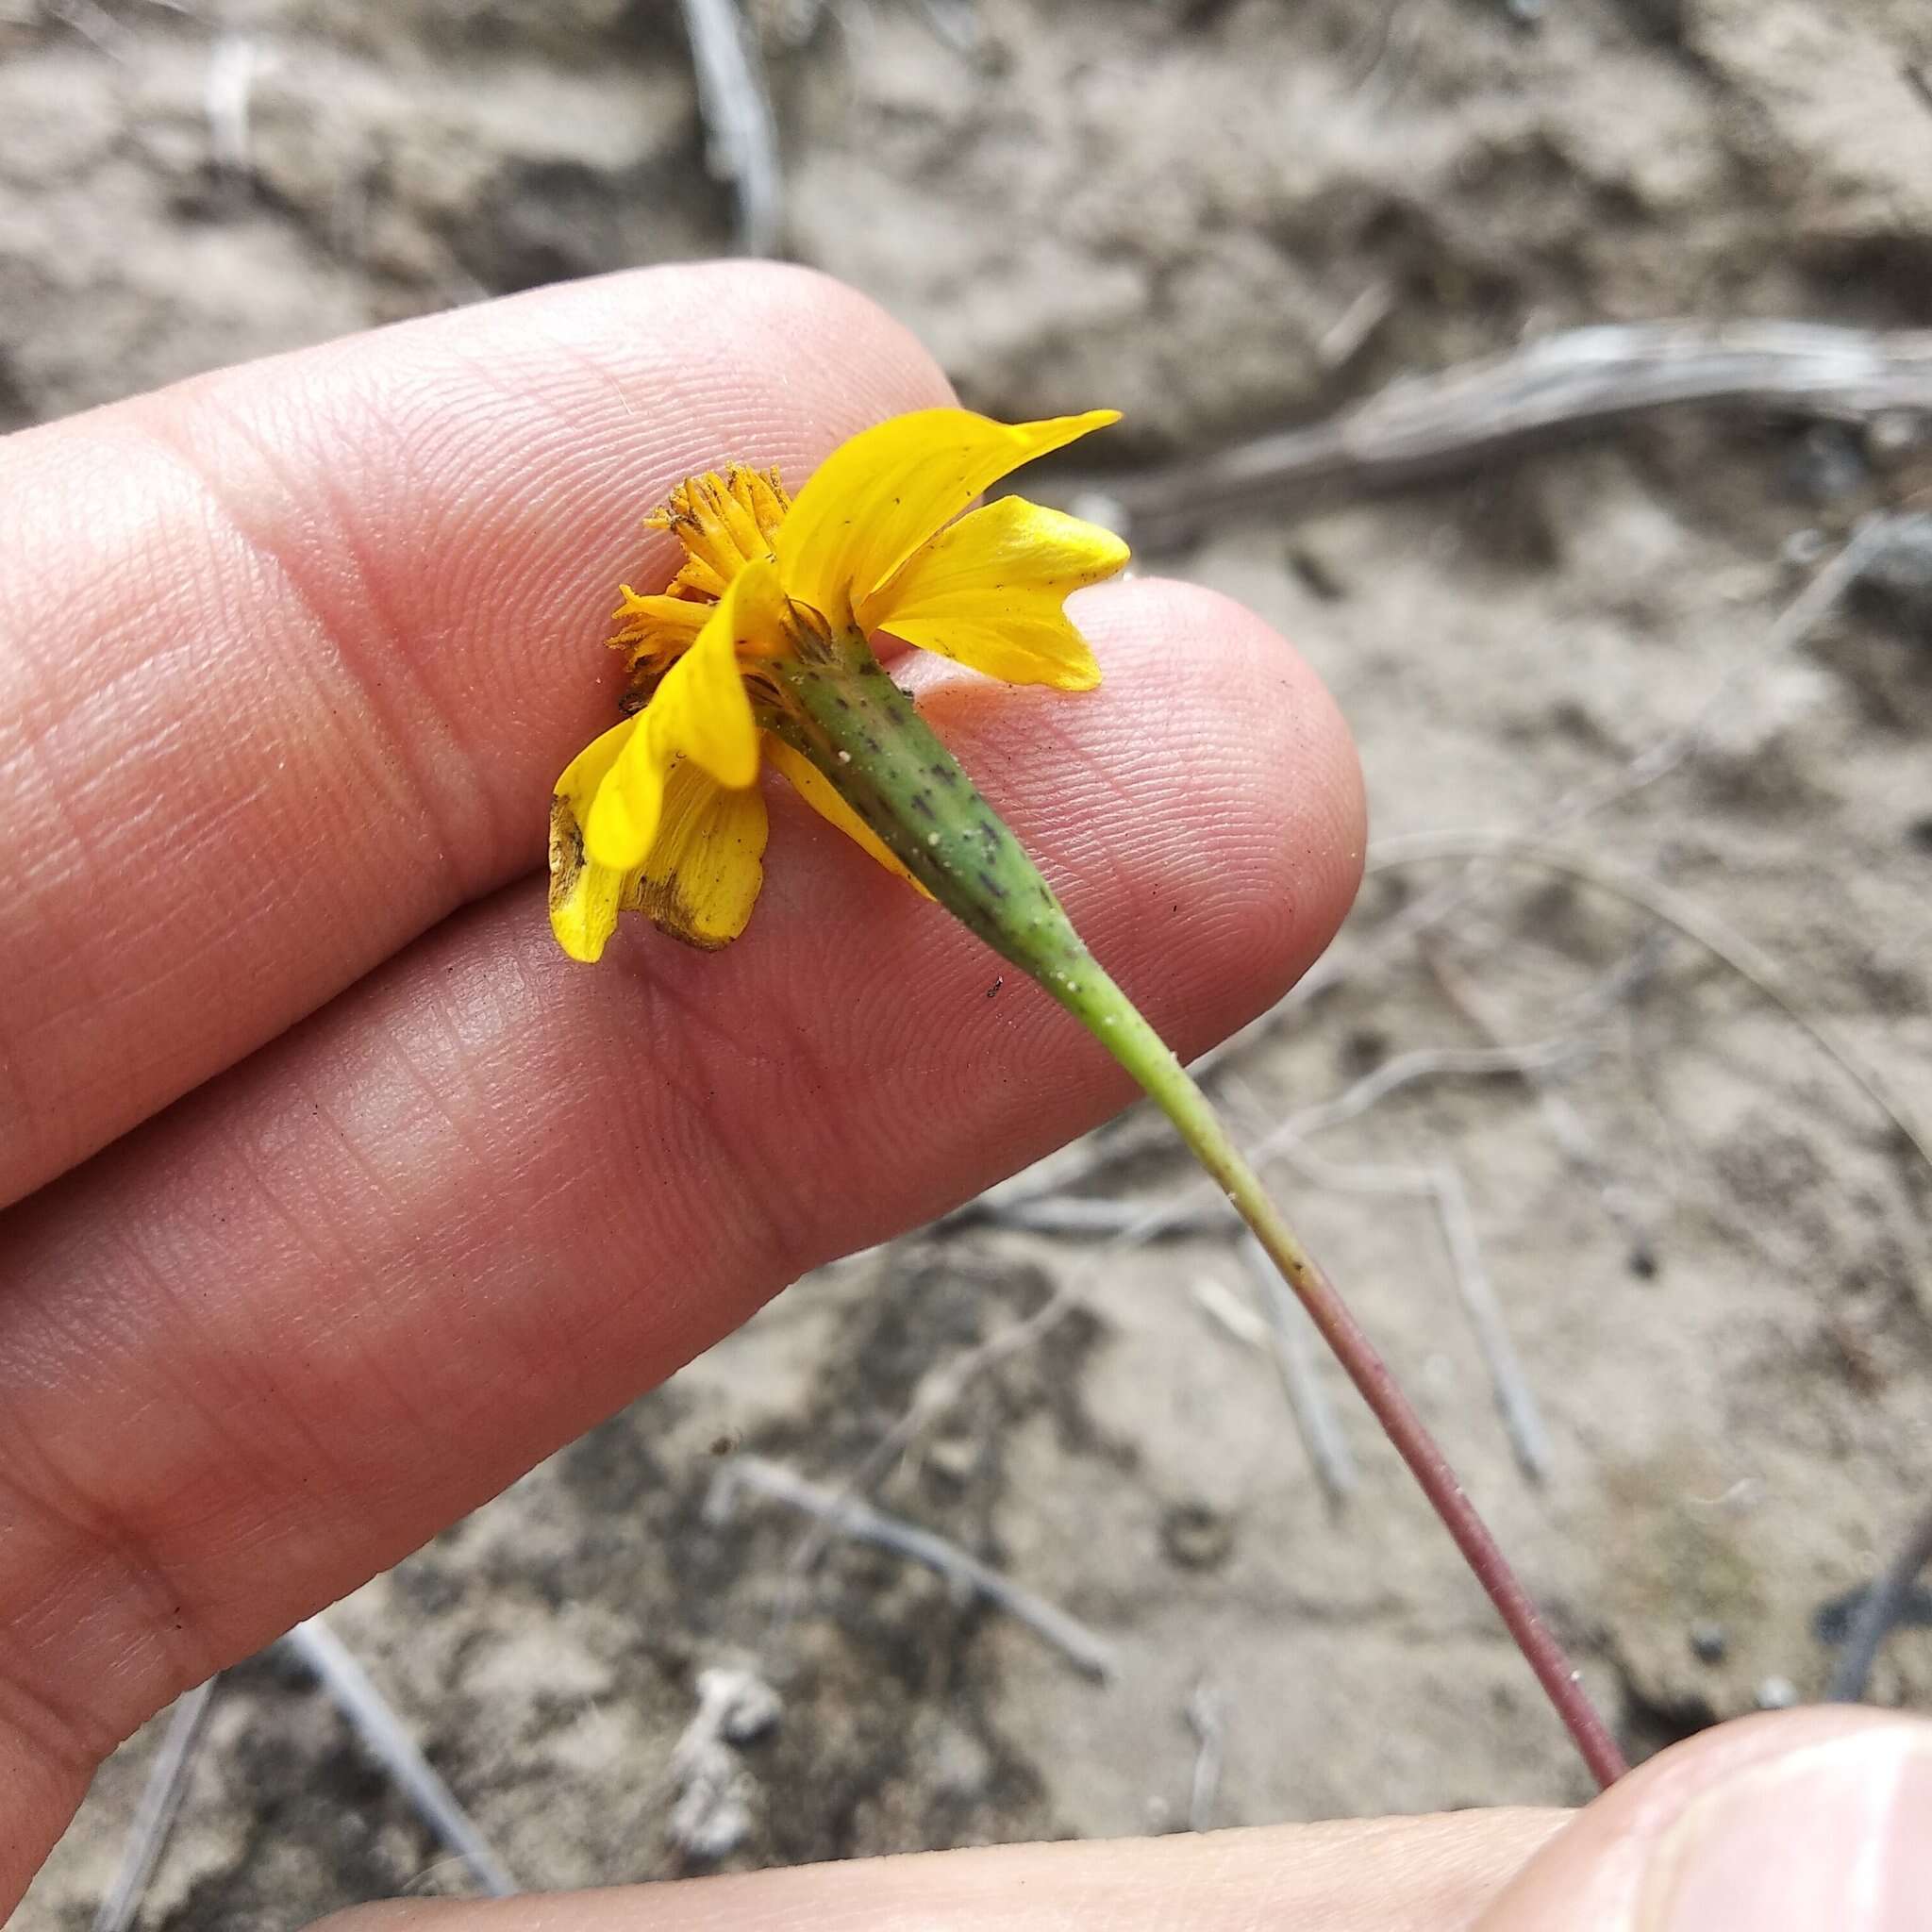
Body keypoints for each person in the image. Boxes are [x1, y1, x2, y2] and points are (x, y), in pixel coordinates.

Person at [0, 261, 1923, 1932]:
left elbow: (1020, 549)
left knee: (1105, 940)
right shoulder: (681, 728)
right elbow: (635, 855)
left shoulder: (850, 571)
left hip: (832, 659)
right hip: (812, 676)